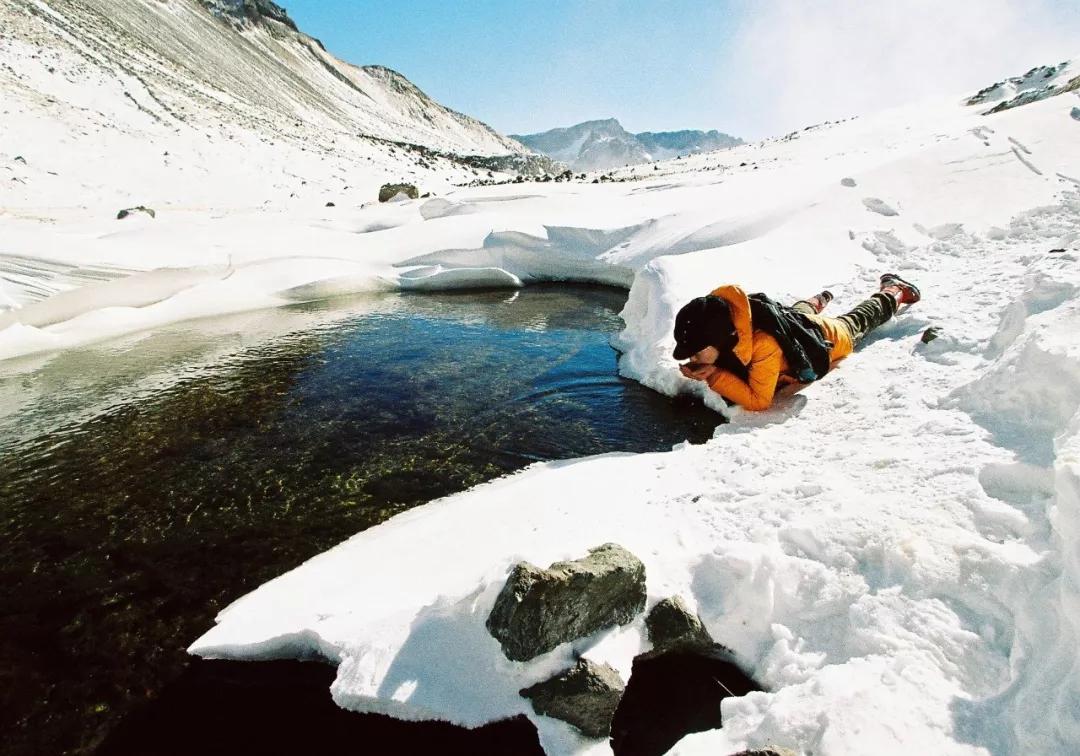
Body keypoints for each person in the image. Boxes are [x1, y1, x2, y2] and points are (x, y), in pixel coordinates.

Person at [674, 274, 920, 411]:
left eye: (696, 353)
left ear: (719, 340)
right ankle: (817, 301)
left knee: (857, 321)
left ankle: (892, 290)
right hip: (795, 322)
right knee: (795, 314)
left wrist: (715, 375)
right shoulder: (734, 323)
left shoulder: (764, 345)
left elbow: (760, 401)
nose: (691, 359)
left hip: (826, 337)